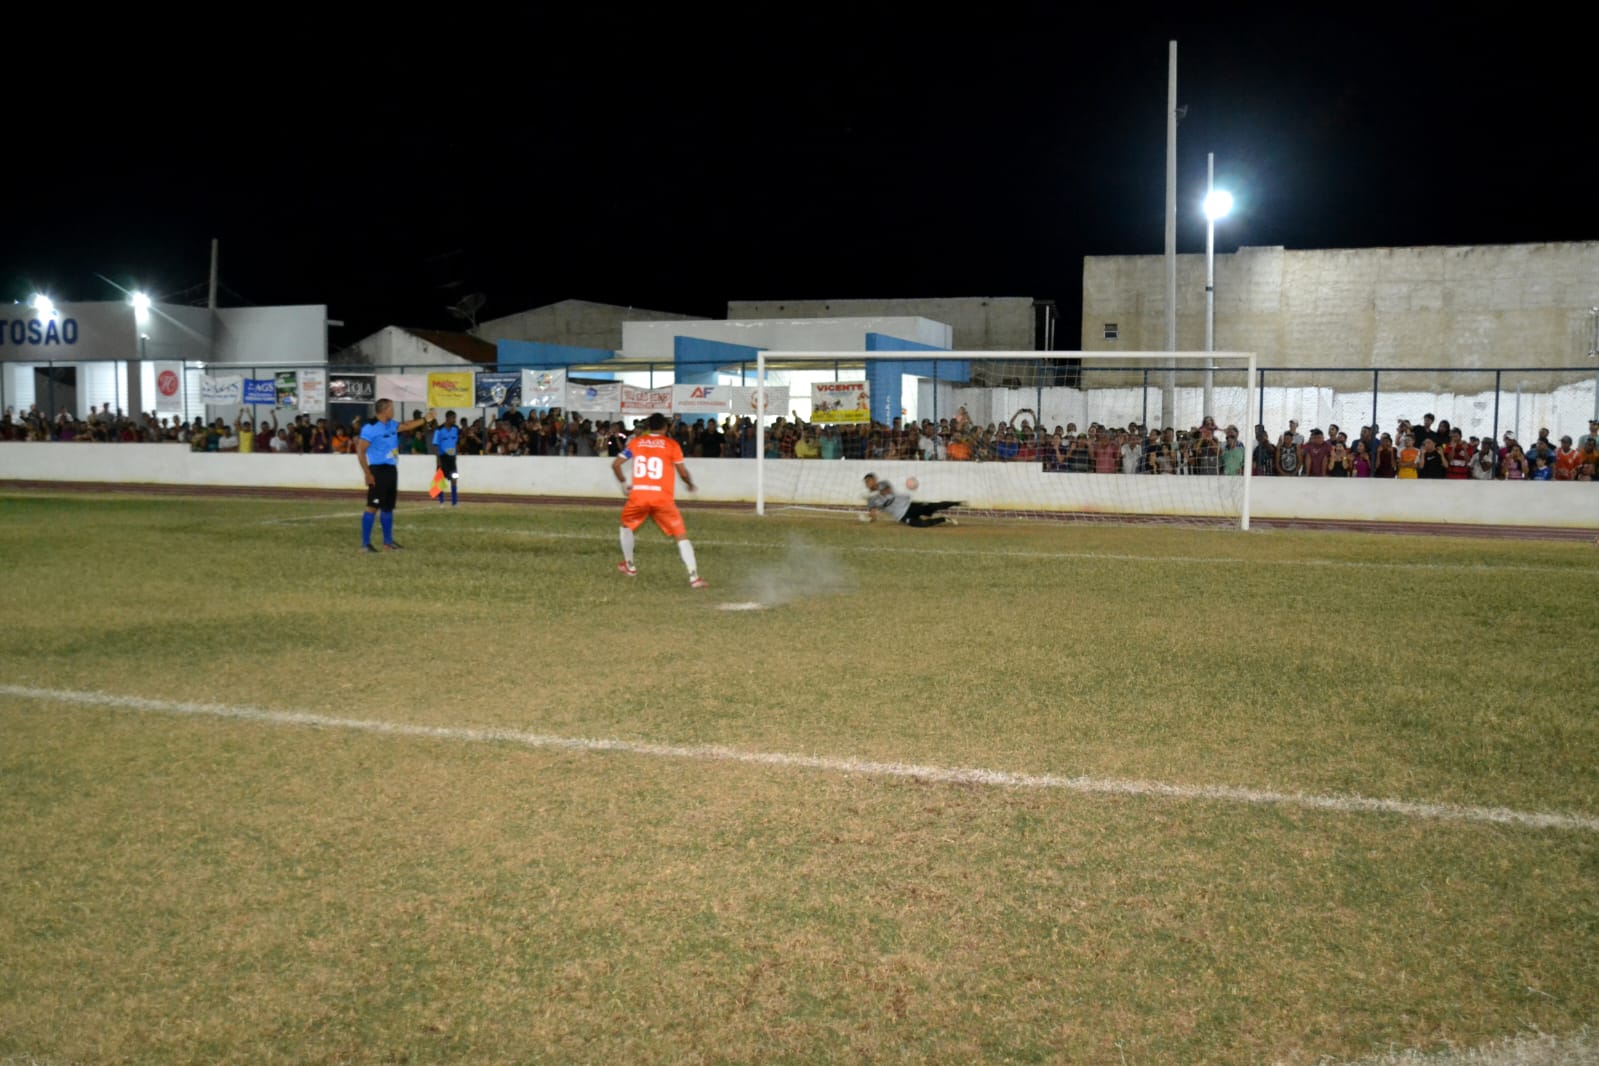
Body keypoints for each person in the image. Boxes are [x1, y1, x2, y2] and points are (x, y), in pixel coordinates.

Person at [611, 411, 706, 588]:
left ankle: (630, 565)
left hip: (639, 495)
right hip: (662, 498)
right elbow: (682, 472)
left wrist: (624, 483)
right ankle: (694, 577)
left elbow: (616, 464)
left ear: (648, 427)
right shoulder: (671, 445)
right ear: (665, 427)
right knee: (680, 535)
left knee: (626, 526)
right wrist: (690, 484)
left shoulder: (636, 442)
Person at [357, 399, 434, 553]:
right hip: (377, 471)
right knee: (372, 506)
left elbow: (406, 425)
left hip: (391, 470)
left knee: (388, 507)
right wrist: (368, 474)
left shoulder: (391, 424)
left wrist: (425, 419)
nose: (393, 411)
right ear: (384, 410)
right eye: (391, 408)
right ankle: (365, 544)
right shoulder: (370, 428)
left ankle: (388, 543)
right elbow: (360, 451)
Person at [863, 474, 962, 528]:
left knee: (933, 506)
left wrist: (874, 494)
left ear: (875, 479)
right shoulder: (871, 500)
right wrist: (870, 518)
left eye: (870, 480)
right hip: (902, 516)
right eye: (867, 482)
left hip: (909, 506)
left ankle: (958, 503)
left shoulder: (883, 484)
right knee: (922, 525)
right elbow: (873, 514)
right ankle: (944, 519)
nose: (868, 483)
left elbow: (886, 491)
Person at [432, 410, 461, 507]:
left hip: (452, 458)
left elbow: (456, 443)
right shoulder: (439, 430)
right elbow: (435, 446)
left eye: (455, 418)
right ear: (447, 418)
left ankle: (454, 502)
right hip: (443, 457)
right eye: (453, 418)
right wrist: (438, 460)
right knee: (440, 480)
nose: (454, 420)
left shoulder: (455, 429)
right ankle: (441, 501)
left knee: (454, 478)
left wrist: (456, 455)